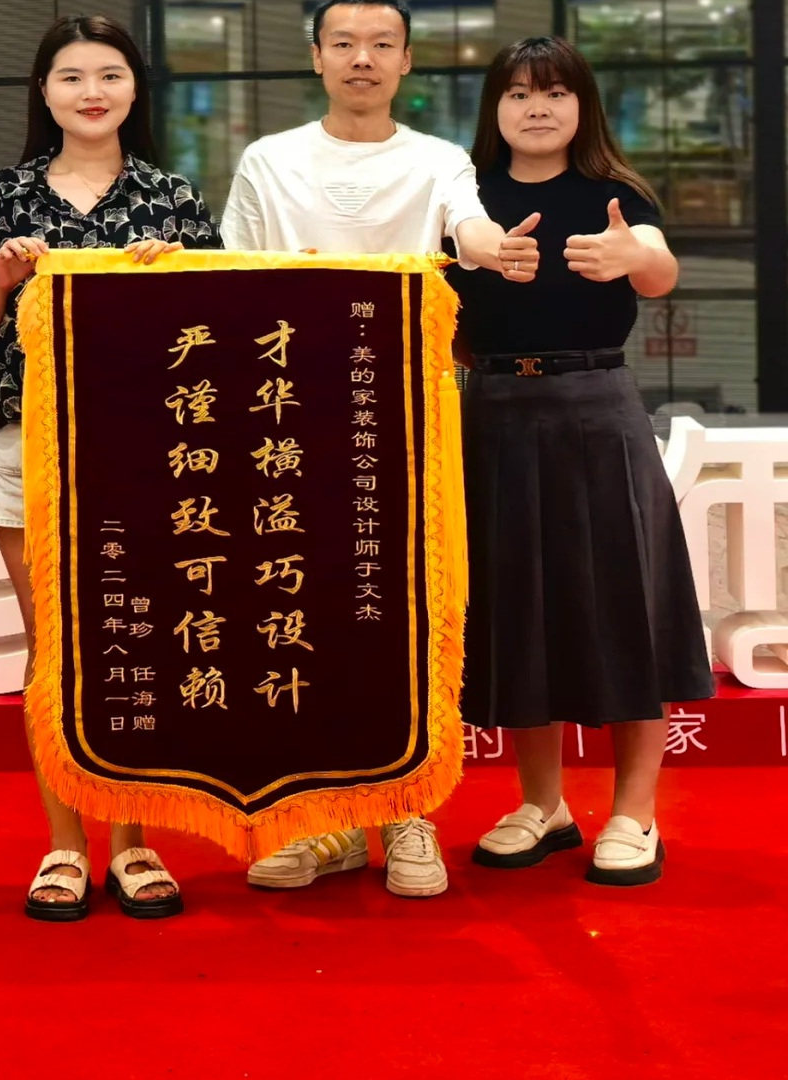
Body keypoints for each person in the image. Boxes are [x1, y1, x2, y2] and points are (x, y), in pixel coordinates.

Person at [220, 0, 539, 899]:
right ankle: (321, 823)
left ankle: (410, 813)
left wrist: (492, 251)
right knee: (306, 612)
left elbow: (468, 227)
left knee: (411, 613)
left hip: (407, 419)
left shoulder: (438, 160)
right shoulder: (269, 159)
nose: (362, 58)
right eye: (345, 44)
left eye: (381, 45)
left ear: (405, 62)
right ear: (317, 57)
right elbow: (233, 271)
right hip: (290, 420)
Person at [0, 14, 219, 921]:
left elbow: (220, 334)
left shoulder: (171, 197)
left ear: (135, 88)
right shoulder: (2, 197)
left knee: (132, 637)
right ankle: (64, 843)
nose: (91, 92)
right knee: (52, 646)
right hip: (27, 444)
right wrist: (0, 283)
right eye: (71, 76)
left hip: (147, 449)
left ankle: (132, 843)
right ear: (44, 92)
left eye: (109, 74)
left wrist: (177, 279)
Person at [449, 36, 714, 885]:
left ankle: (634, 813)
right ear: (494, 107)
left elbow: (659, 270)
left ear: (582, 105)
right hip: (491, 413)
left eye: (556, 92)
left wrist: (636, 257)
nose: (537, 107)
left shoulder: (616, 192)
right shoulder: (465, 198)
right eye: (519, 93)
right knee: (518, 609)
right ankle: (544, 805)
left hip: (597, 410)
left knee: (625, 605)